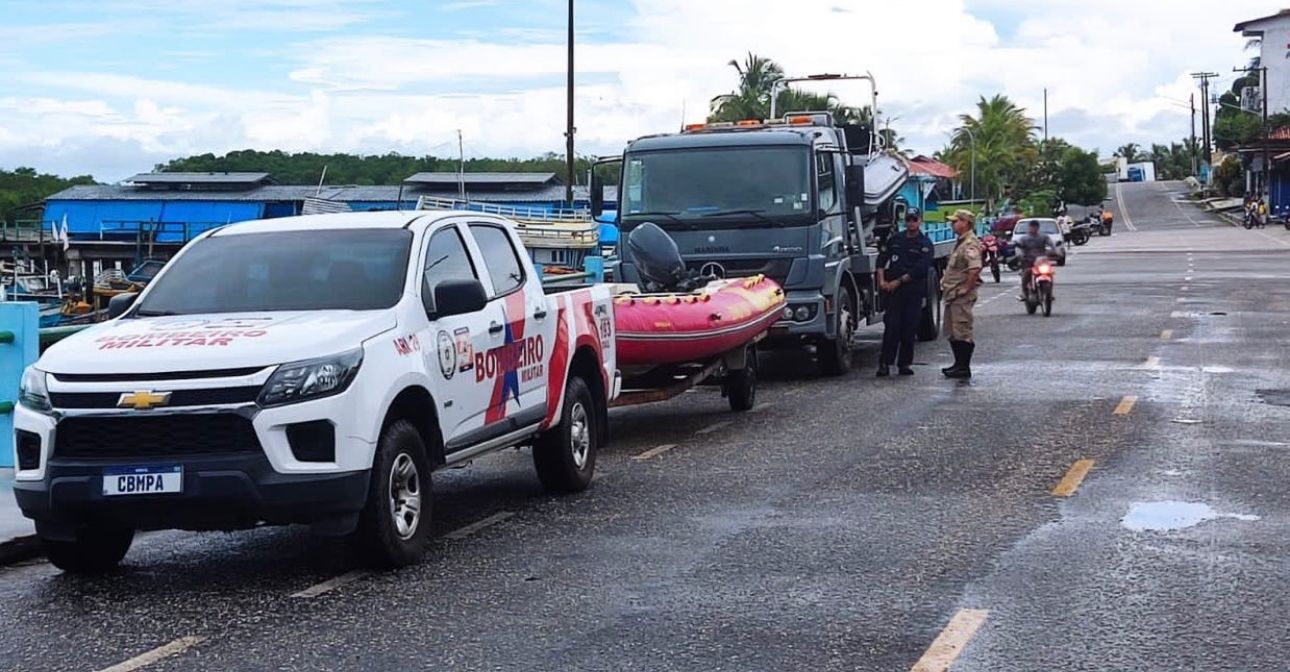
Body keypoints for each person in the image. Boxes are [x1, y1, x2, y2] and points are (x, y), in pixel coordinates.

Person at [875, 209, 934, 377]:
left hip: (913, 291)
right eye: (908, 219)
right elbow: (881, 260)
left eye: (914, 219)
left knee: (910, 328)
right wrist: (881, 281)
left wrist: (898, 281)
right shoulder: (896, 239)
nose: (911, 223)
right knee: (892, 327)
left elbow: (920, 269)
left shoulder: (924, 244)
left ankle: (904, 363)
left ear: (920, 221)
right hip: (894, 293)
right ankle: (885, 363)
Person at [940, 209, 983, 379]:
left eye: (956, 221)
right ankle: (958, 364)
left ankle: (964, 366)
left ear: (966, 222)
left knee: (962, 329)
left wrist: (966, 287)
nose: (953, 224)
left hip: (961, 295)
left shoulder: (970, 243)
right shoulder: (961, 242)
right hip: (952, 294)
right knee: (952, 330)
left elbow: (974, 268)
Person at [1012, 220, 1057, 301]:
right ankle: (1025, 294)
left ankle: (1049, 293)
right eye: (1032, 227)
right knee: (1026, 275)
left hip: (1041, 261)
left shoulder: (1044, 237)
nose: (1034, 229)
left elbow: (1051, 245)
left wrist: (1055, 251)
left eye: (1035, 227)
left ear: (1038, 228)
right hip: (1028, 262)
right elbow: (1019, 248)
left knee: (1050, 273)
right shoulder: (1024, 238)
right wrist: (1020, 255)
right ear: (1029, 228)